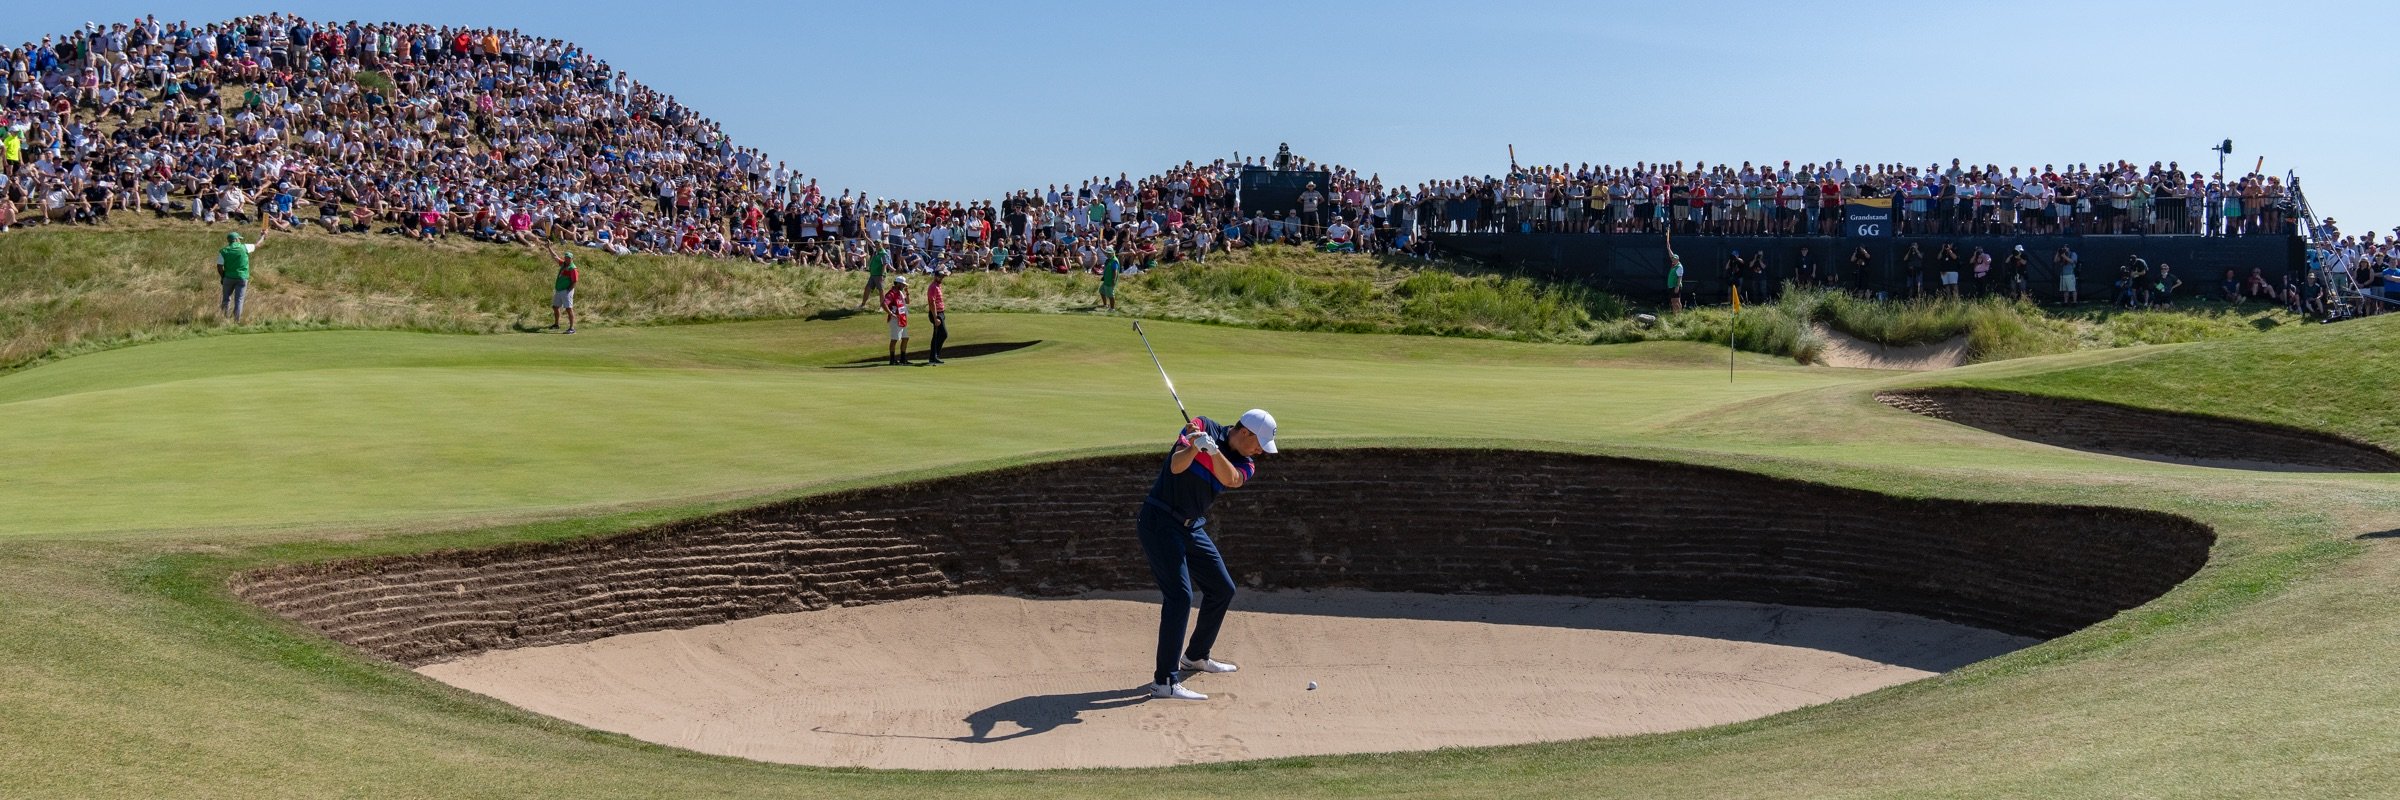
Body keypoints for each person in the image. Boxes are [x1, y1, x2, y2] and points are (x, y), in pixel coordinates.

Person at [1137, 408, 1278, 701]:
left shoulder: (1246, 461)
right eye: (1258, 444)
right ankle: (1164, 682)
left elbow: (1232, 479)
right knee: (1180, 597)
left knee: (1222, 588)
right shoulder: (1200, 425)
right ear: (1244, 432)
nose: (1259, 452)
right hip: (1160, 521)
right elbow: (1176, 466)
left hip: (1191, 526)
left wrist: (1213, 452)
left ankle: (1196, 656)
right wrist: (1194, 445)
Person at [217, 221, 269, 323]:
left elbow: (219, 267)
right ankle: (237, 321)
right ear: (236, 239)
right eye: (239, 239)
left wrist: (223, 277)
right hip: (242, 277)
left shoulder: (223, 251)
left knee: (226, 299)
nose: (240, 240)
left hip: (228, 277)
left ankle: (223, 319)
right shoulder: (244, 247)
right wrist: (263, 236)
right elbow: (258, 244)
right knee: (239, 300)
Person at [541, 239, 578, 333]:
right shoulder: (563, 264)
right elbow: (555, 257)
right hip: (559, 290)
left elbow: (575, 281)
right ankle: (556, 324)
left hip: (566, 290)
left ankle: (572, 328)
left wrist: (568, 290)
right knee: (555, 307)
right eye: (566, 257)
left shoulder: (572, 268)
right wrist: (549, 247)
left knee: (569, 308)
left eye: (569, 258)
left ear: (572, 259)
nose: (567, 259)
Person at [883, 274, 911, 365]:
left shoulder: (900, 292)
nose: (904, 286)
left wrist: (907, 293)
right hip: (895, 319)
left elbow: (907, 302)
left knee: (905, 338)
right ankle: (892, 360)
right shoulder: (891, 293)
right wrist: (890, 313)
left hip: (903, 318)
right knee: (894, 339)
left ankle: (903, 359)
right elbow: (884, 304)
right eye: (903, 285)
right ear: (898, 284)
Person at [924, 270, 949, 365]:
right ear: (935, 276)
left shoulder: (938, 285)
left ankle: (934, 357)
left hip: (940, 313)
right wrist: (935, 317)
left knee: (938, 335)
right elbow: (931, 302)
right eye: (940, 276)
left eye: (943, 276)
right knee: (942, 334)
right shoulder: (933, 287)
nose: (942, 278)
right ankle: (933, 356)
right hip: (936, 313)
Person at [859, 242, 887, 309]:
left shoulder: (883, 253)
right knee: (867, 288)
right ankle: (863, 305)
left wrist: (882, 274)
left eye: (878, 244)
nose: (877, 246)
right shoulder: (876, 252)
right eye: (876, 244)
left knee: (881, 290)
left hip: (879, 275)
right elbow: (870, 242)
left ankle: (882, 306)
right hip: (873, 274)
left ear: (881, 245)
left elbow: (885, 264)